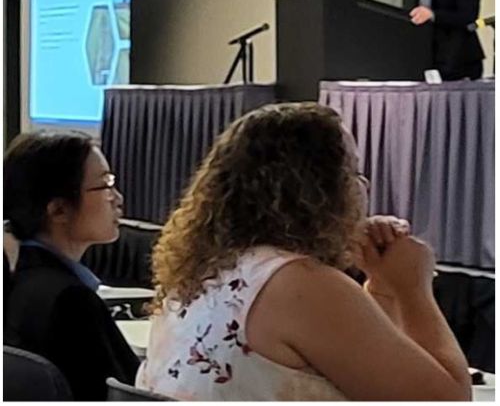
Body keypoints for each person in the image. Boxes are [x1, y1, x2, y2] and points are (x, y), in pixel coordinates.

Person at [136, 102, 471, 401]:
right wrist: (413, 290)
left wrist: (381, 285)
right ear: (321, 191)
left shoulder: (207, 270)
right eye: (352, 173)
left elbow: (372, 373)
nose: (362, 187)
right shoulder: (299, 284)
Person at [4, 131, 139, 400]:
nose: (119, 199)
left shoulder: (18, 278)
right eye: (105, 186)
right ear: (58, 210)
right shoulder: (69, 301)